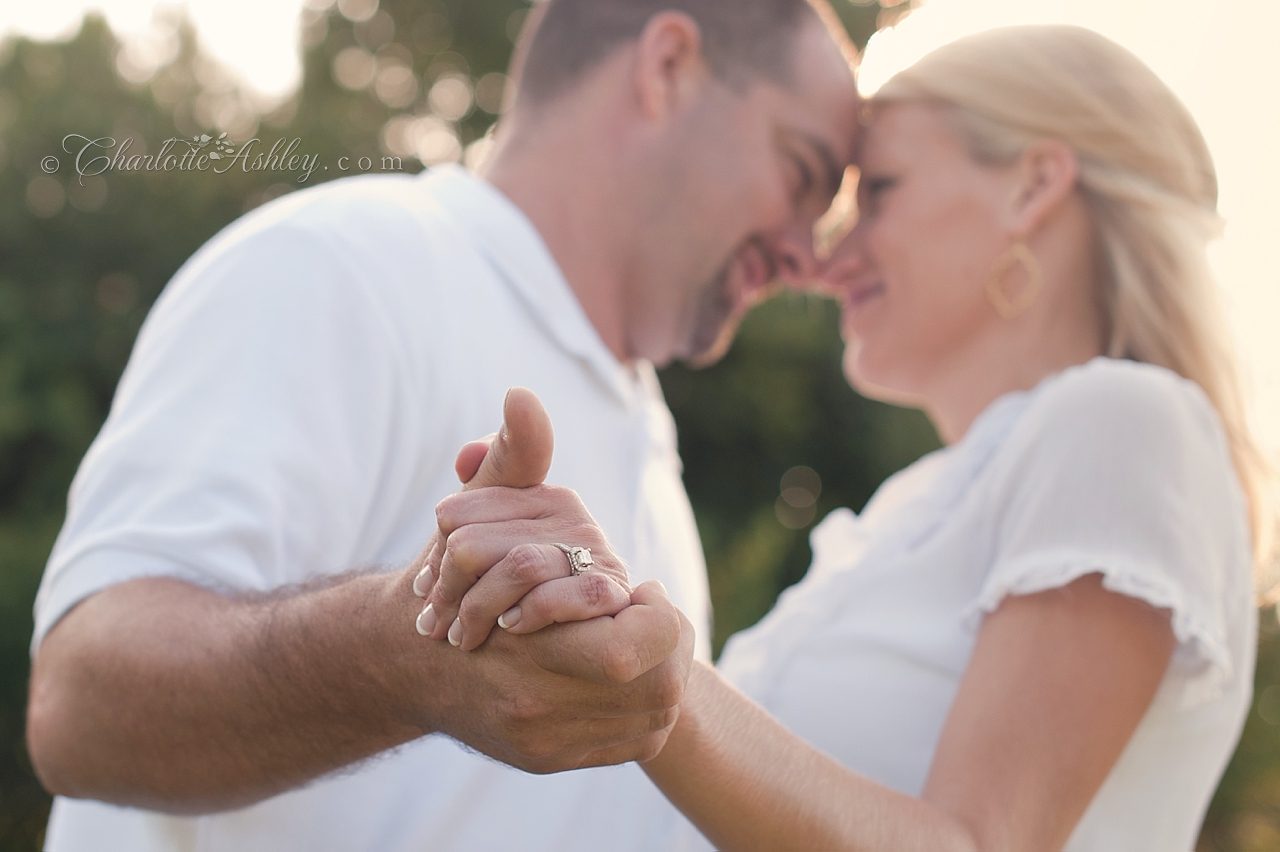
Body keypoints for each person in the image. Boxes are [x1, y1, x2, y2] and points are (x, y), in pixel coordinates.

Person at [23, 2, 860, 850]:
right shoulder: (344, 264)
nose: (811, 256)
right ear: (668, 65)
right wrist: (404, 659)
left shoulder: (647, 436)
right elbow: (78, 707)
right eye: (803, 173)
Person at [420, 25, 1270, 851]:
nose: (825, 257)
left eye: (882, 192)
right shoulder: (928, 500)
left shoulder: (1124, 422)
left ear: (1032, 186)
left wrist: (652, 664)